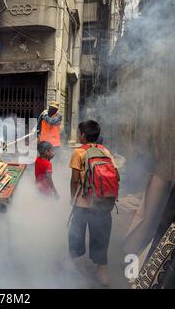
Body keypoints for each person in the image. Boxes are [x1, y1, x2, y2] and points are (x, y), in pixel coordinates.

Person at [68, 120, 119, 286]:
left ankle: (73, 265)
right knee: (101, 237)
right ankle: (102, 271)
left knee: (76, 233)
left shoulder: (79, 153)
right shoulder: (105, 150)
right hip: (103, 203)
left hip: (83, 204)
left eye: (78, 132)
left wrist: (72, 198)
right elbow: (116, 175)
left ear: (83, 135)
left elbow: (74, 181)